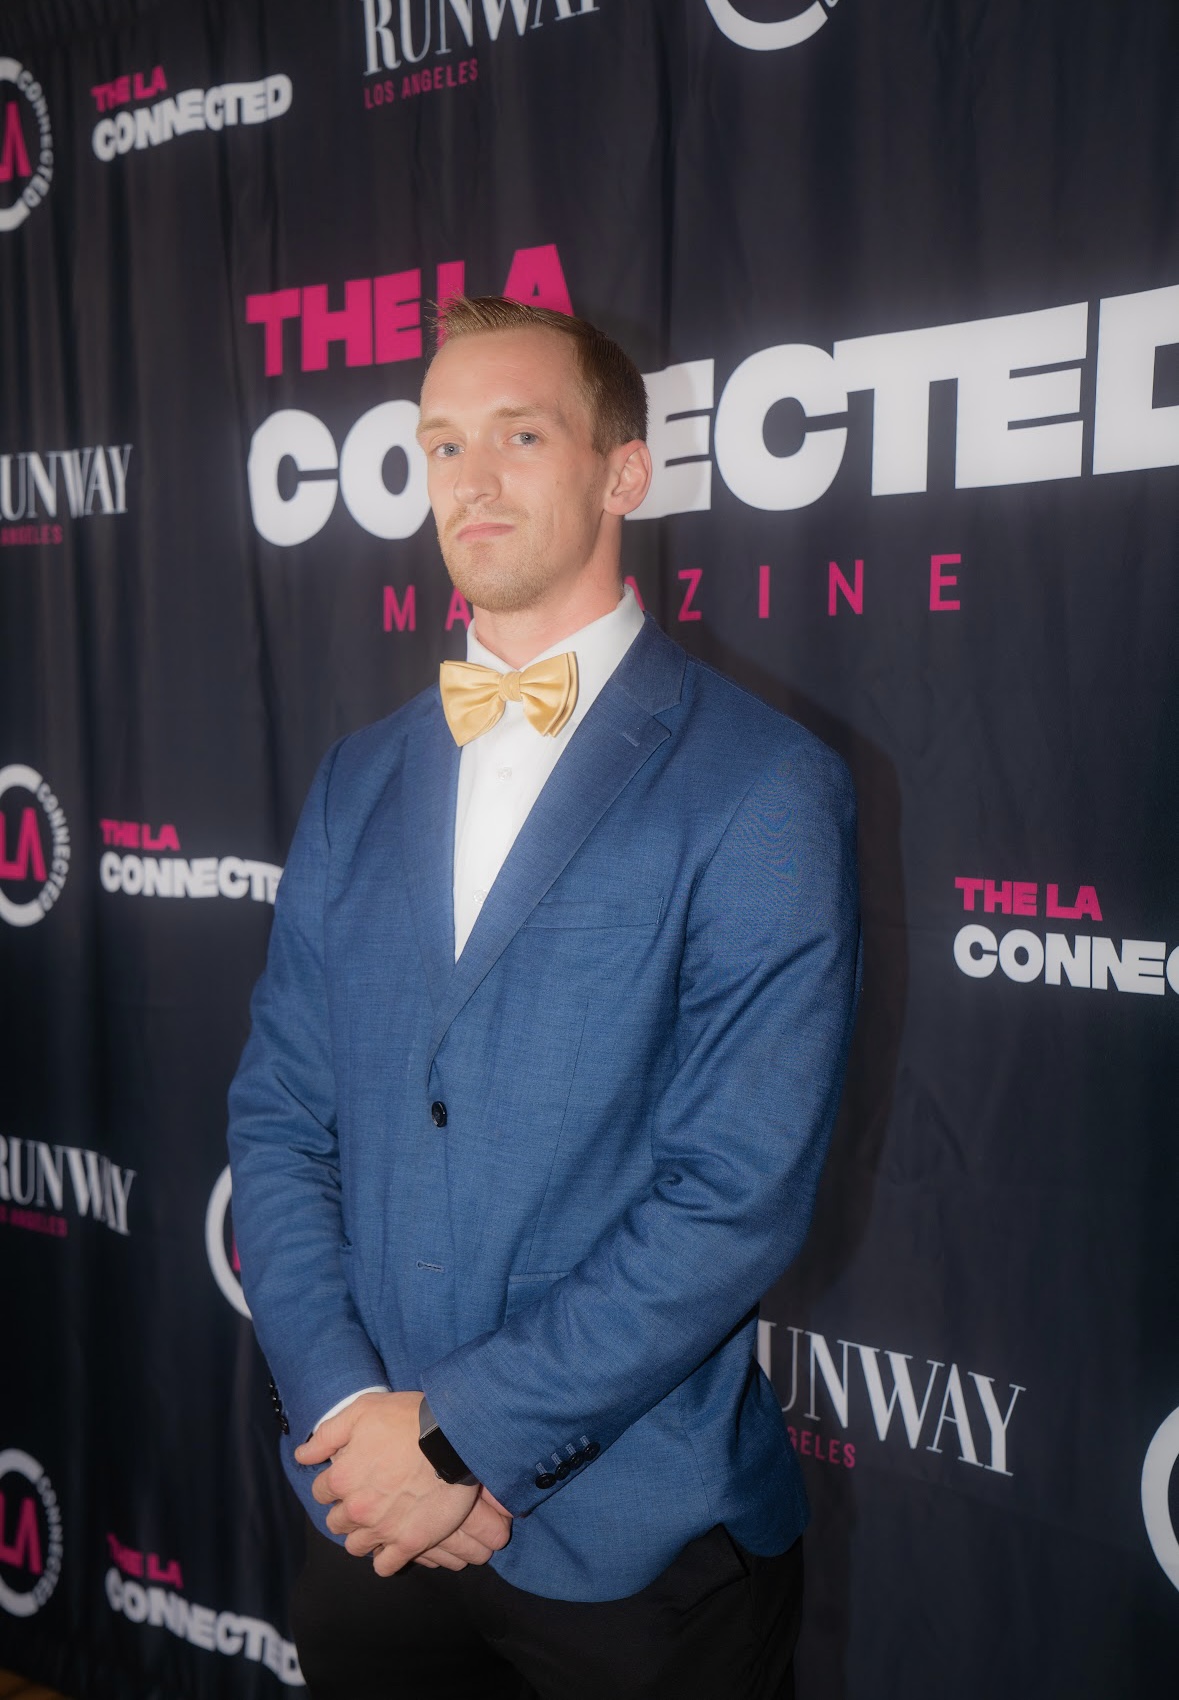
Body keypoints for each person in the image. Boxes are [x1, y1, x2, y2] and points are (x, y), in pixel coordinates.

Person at [227, 295, 861, 1700]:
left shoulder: (763, 785)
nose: (472, 478)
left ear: (622, 471)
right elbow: (278, 1122)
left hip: (643, 1554)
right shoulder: (356, 780)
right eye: (441, 443)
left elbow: (734, 1196)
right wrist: (352, 1413)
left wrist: (460, 1440)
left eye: (520, 435)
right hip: (369, 1520)